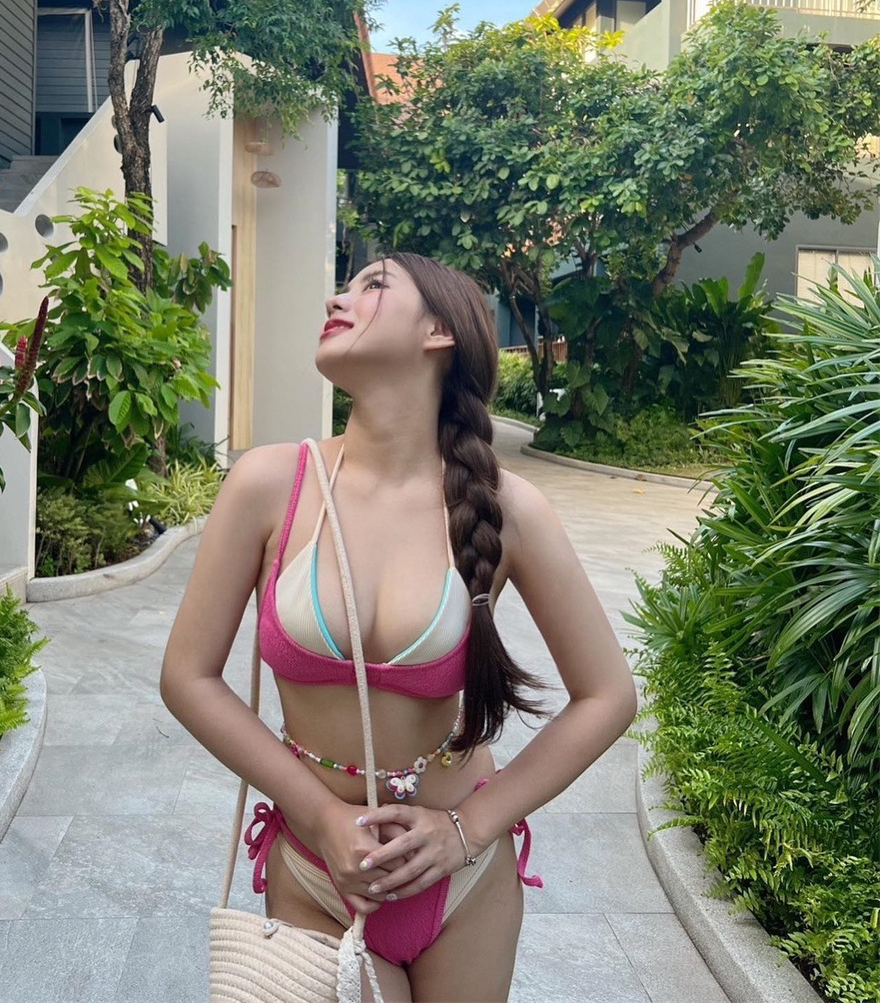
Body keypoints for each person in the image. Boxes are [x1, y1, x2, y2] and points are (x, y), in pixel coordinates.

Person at [160, 252, 638, 1002]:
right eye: (344, 285)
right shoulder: (269, 483)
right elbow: (187, 676)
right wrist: (319, 815)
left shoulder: (505, 506)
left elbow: (608, 695)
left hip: (463, 883)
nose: (338, 297)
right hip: (316, 872)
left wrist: (469, 828)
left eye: (372, 285)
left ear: (439, 330)